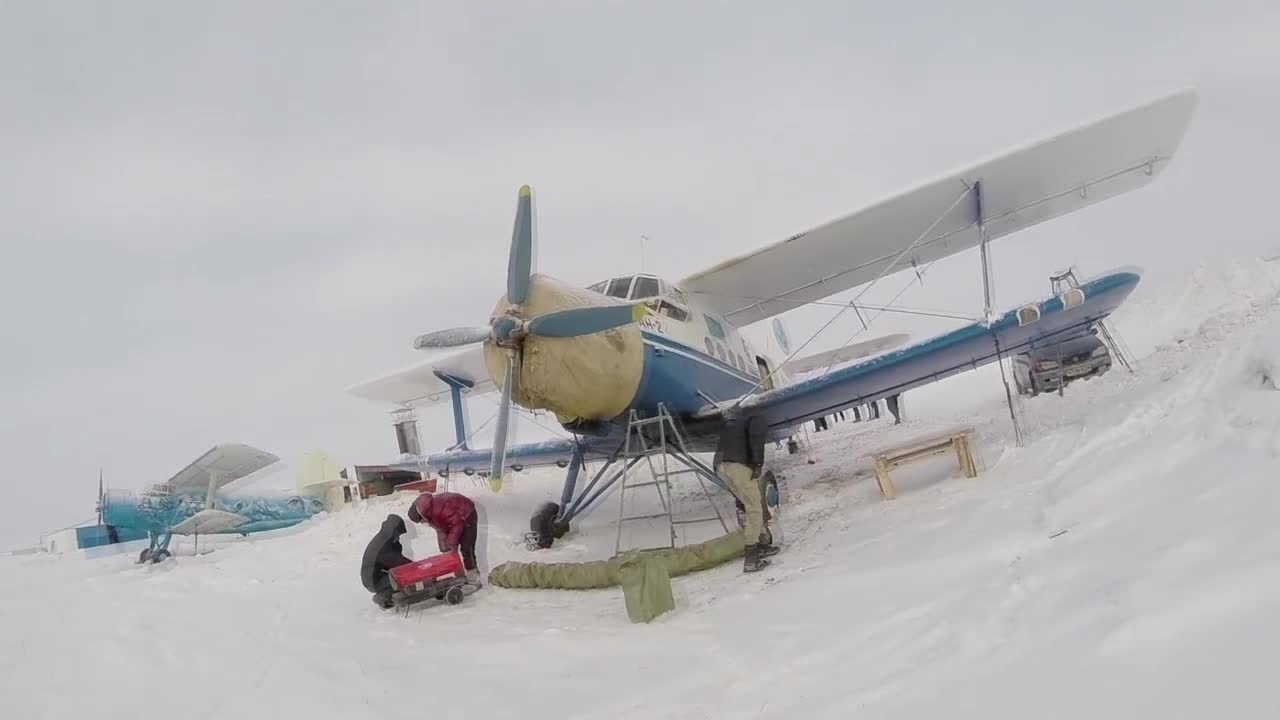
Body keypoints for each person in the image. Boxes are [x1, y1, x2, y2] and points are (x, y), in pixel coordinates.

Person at [715, 411, 780, 573]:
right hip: (738, 465)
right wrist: (758, 465)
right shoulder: (758, 418)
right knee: (755, 508)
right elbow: (756, 439)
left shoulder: (733, 423)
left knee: (749, 505)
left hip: (720, 466)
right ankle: (751, 555)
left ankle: (763, 542)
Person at [408, 491, 481, 585]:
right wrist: (444, 547)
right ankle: (463, 575)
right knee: (452, 549)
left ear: (422, 515)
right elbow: (441, 529)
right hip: (456, 517)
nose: (422, 523)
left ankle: (474, 579)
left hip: (467, 513)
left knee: (467, 548)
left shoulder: (438, 509)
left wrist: (451, 543)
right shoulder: (430, 514)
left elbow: (457, 524)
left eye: (421, 521)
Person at [360, 514, 412, 609]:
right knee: (399, 580)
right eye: (399, 534)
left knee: (399, 576)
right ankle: (382, 597)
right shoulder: (383, 545)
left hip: (376, 575)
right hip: (372, 580)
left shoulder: (385, 539)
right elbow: (397, 562)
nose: (399, 537)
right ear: (394, 532)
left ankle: (385, 594)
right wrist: (414, 567)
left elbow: (396, 557)